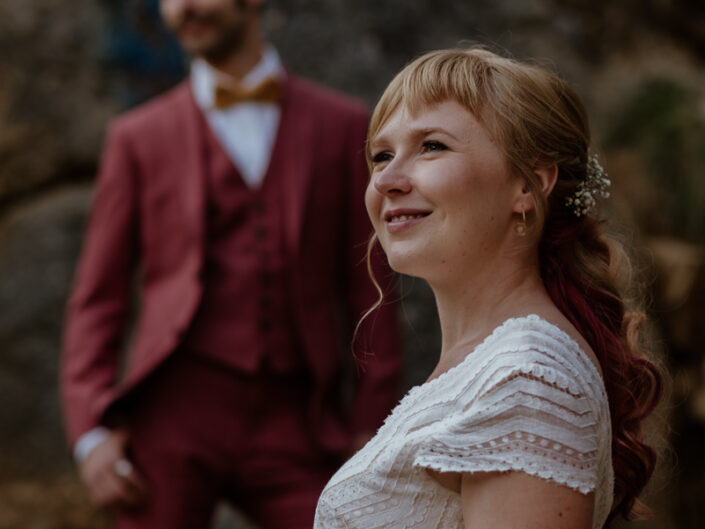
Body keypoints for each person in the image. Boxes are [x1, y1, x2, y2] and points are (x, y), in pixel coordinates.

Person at [59, 1, 401, 528]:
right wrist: (90, 434)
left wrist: (372, 425)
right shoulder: (137, 138)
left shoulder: (342, 125)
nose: (184, 8)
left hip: (300, 421)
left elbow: (371, 287)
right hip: (171, 418)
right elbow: (97, 297)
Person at [314, 47, 663, 529]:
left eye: (432, 146)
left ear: (528, 184)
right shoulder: (490, 367)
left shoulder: (525, 381)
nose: (388, 180)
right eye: (381, 155)